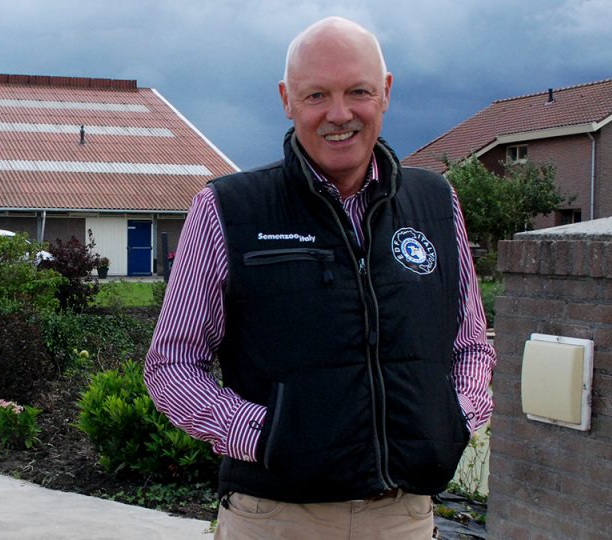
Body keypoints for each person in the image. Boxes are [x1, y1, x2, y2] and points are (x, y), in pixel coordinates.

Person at [144, 16, 496, 539]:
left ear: (386, 92)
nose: (339, 114)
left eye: (358, 91)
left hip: (404, 519)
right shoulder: (227, 209)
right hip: (277, 518)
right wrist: (265, 434)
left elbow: (471, 345)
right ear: (287, 99)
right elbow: (172, 366)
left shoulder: (436, 203)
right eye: (317, 95)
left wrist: (456, 418)